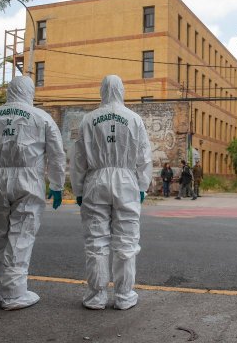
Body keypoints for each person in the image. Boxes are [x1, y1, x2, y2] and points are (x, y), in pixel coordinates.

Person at [0, 76, 66, 310]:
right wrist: (57, 185)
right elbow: (56, 154)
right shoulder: (42, 118)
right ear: (30, 91)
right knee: (21, 235)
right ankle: (14, 293)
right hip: (28, 180)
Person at [70, 75, 153, 310]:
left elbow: (78, 158)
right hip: (126, 180)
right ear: (122, 90)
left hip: (96, 180)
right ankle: (124, 296)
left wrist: (78, 188)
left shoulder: (89, 120)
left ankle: (96, 296)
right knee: (126, 240)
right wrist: (142, 187)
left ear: (102, 91)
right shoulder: (134, 119)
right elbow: (144, 157)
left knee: (96, 240)